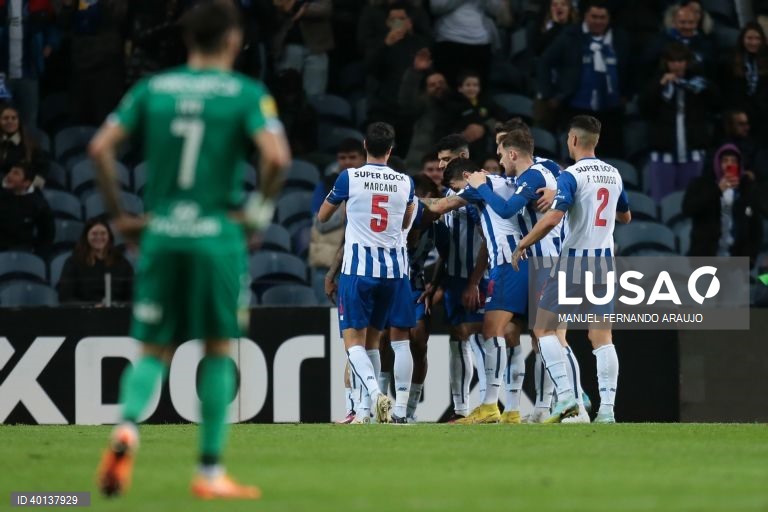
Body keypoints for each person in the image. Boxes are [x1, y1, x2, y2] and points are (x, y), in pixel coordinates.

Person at [90, 0, 291, 499]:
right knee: (219, 350)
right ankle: (208, 473)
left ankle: (127, 428)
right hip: (216, 235)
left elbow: (99, 149)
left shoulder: (152, 89)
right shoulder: (246, 93)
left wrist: (120, 216)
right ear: (231, 40)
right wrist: (258, 213)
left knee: (153, 350)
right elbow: (277, 157)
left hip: (161, 232)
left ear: (186, 40)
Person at [511, 115, 631, 424]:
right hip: (604, 262)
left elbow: (553, 219)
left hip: (575, 261)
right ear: (596, 140)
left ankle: (565, 396)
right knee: (602, 336)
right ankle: (607, 411)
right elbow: (626, 216)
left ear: (573, 140)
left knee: (543, 329)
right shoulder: (614, 174)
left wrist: (523, 243)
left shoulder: (572, 175)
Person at [317, 121, 415, 424]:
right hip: (395, 271)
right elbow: (405, 221)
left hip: (359, 270)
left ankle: (374, 397)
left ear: (364, 146)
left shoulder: (350, 177)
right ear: (391, 149)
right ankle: (368, 412)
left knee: (353, 342)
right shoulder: (405, 181)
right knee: (377, 340)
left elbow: (322, 218)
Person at [420, 133, 486, 422]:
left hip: (477, 276)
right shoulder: (450, 194)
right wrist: (437, 281)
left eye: (446, 160)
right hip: (455, 276)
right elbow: (449, 247)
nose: (440, 165)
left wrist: (474, 281)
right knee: (458, 338)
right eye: (439, 159)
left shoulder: (475, 194)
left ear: (462, 158)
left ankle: (490, 404)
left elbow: (488, 240)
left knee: (486, 337)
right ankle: (461, 409)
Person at [537, 0, 631, 158]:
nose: (598, 21)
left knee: (611, 158)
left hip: (611, 112)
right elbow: (544, 62)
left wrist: (626, 94)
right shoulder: (570, 35)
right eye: (594, 17)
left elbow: (631, 68)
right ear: (585, 16)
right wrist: (549, 94)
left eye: (602, 17)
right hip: (575, 108)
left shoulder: (620, 38)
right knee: (576, 158)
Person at [640, 43, 716, 203]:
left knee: (692, 201)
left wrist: (704, 86)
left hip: (693, 152)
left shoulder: (698, 85)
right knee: (662, 202)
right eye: (673, 61)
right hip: (663, 154)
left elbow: (717, 104)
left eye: (681, 61)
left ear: (687, 62)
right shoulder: (655, 83)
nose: (677, 65)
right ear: (666, 63)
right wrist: (660, 86)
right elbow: (645, 110)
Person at [682, 144, 764, 267]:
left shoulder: (747, 190)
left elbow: (756, 227)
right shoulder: (701, 185)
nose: (729, 165)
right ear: (717, 163)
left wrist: (751, 257)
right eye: (725, 161)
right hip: (705, 259)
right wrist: (717, 190)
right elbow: (688, 209)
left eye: (733, 161)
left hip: (735, 263)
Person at [0, 0, 57, 129]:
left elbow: (52, 26)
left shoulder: (40, 3)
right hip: (3, 75)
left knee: (29, 123)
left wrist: (50, 44)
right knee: (4, 121)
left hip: (30, 73)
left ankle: (28, 149)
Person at [309, 138, 365, 269]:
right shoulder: (326, 184)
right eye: (342, 158)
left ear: (363, 158)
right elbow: (319, 223)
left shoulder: (372, 185)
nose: (347, 162)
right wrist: (342, 209)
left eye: (352, 157)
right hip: (330, 257)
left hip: (362, 257)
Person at [57, 217, 134, 305]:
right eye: (94, 233)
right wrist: (93, 306)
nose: (99, 237)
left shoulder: (122, 263)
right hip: (83, 315)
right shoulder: (73, 262)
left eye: (103, 233)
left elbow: (131, 297)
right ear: (86, 236)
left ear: (109, 236)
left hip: (116, 315)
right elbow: (65, 298)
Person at [399, 48, 452, 171]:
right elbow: (406, 102)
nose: (438, 86)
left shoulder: (458, 106)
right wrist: (415, 72)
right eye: (432, 85)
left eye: (441, 83)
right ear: (426, 91)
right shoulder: (422, 107)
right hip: (420, 165)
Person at [272, 0, 333, 97]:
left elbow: (325, 8)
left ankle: (310, 112)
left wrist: (298, 7)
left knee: (315, 96)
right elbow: (276, 6)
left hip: (316, 47)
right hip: (287, 47)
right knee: (286, 92)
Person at [723, 22, 768, 141]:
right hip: (739, 116)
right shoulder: (730, 61)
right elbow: (727, 90)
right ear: (742, 39)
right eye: (749, 38)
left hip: (763, 116)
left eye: (757, 38)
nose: (753, 42)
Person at [0, 161, 53, 254]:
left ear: (26, 183)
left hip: (23, 250)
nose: (9, 175)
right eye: (10, 172)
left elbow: (47, 234)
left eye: (16, 173)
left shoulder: (38, 204)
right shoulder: (2, 195)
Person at [0, 105, 49, 188]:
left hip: (23, 192)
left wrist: (31, 187)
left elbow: (43, 169)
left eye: (14, 118)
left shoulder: (30, 145)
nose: (10, 121)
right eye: (5, 118)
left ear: (19, 121)